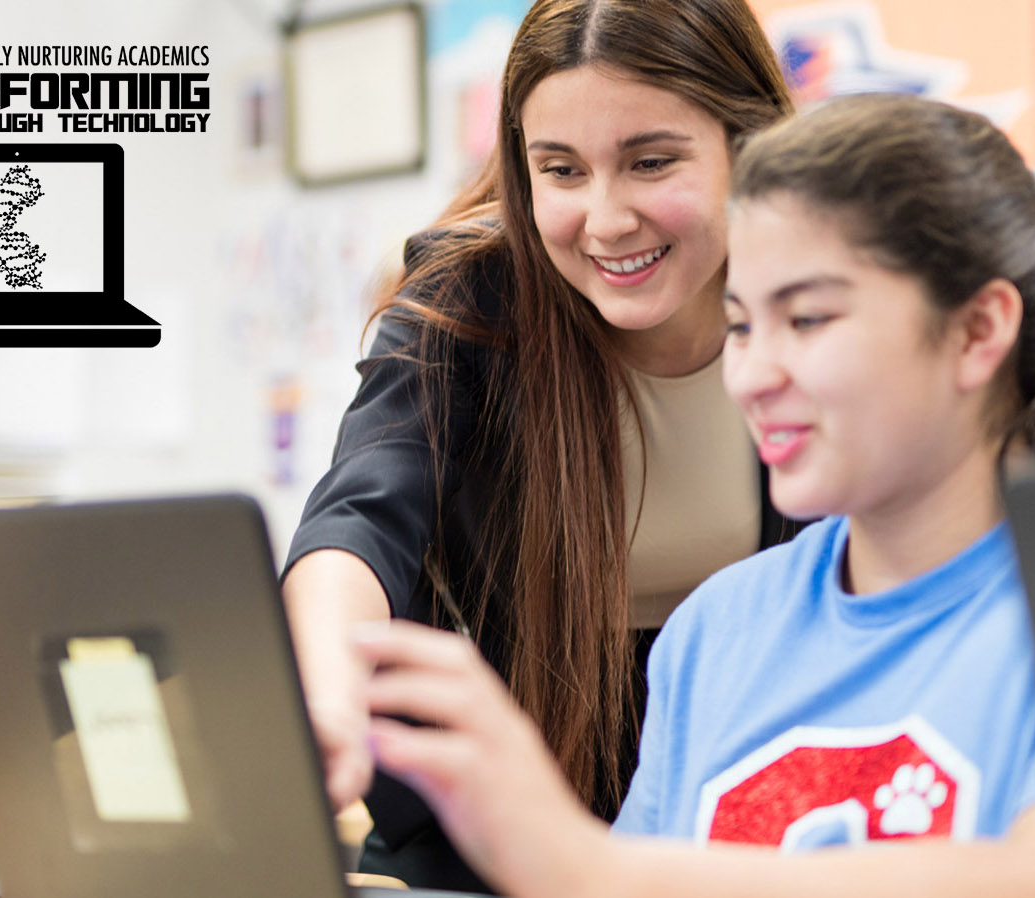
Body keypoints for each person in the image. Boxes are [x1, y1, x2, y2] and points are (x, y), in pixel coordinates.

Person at [353, 93, 1035, 898]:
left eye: (806, 319)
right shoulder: (715, 631)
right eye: (740, 325)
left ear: (977, 330)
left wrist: (582, 862)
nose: (753, 376)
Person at [281, 0, 797, 888]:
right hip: (477, 846)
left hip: (739, 835)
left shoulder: (820, 301)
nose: (605, 219)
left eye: (650, 162)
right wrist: (328, 695)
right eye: (561, 170)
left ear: (744, 146)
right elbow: (362, 514)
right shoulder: (466, 300)